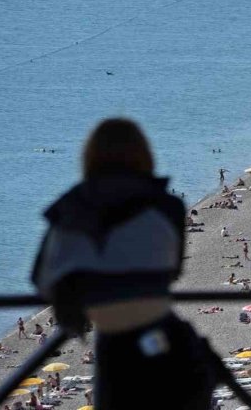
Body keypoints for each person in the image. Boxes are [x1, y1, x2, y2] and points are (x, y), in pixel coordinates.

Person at [30, 118, 217, 410]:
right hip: (162, 334)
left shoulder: (69, 208)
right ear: (145, 155)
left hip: (113, 342)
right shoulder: (166, 206)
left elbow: (41, 279)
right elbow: (172, 271)